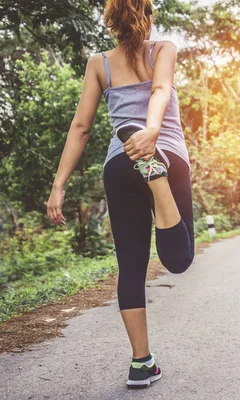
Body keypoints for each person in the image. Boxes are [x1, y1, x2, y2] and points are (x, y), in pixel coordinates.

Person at [46, 0, 195, 389]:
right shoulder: (163, 49)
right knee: (178, 260)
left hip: (119, 164)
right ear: (149, 16)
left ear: (110, 23)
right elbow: (161, 87)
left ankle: (141, 363)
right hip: (166, 154)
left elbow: (81, 127)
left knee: (131, 266)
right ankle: (158, 184)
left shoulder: (99, 64)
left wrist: (58, 185)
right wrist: (152, 134)